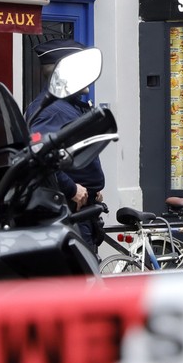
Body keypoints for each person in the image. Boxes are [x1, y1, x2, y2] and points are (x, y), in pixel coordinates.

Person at [26, 38, 106, 249]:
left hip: (82, 209)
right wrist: (71, 189)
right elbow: (38, 155)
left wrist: (91, 188)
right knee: (82, 280)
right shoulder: (51, 110)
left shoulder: (69, 106)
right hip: (69, 210)